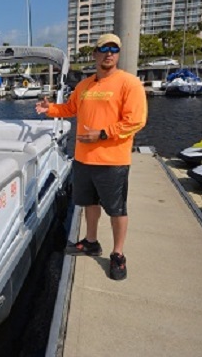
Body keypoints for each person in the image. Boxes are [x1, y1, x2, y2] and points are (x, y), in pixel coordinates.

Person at [35, 33, 147, 280]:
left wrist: (104, 134)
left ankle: (118, 254)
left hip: (113, 161)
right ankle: (91, 241)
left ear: (118, 54)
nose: (109, 53)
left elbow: (136, 121)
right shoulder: (84, 85)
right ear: (95, 54)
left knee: (116, 209)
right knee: (89, 204)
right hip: (84, 158)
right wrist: (49, 109)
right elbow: (70, 109)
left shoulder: (129, 83)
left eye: (114, 49)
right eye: (104, 48)